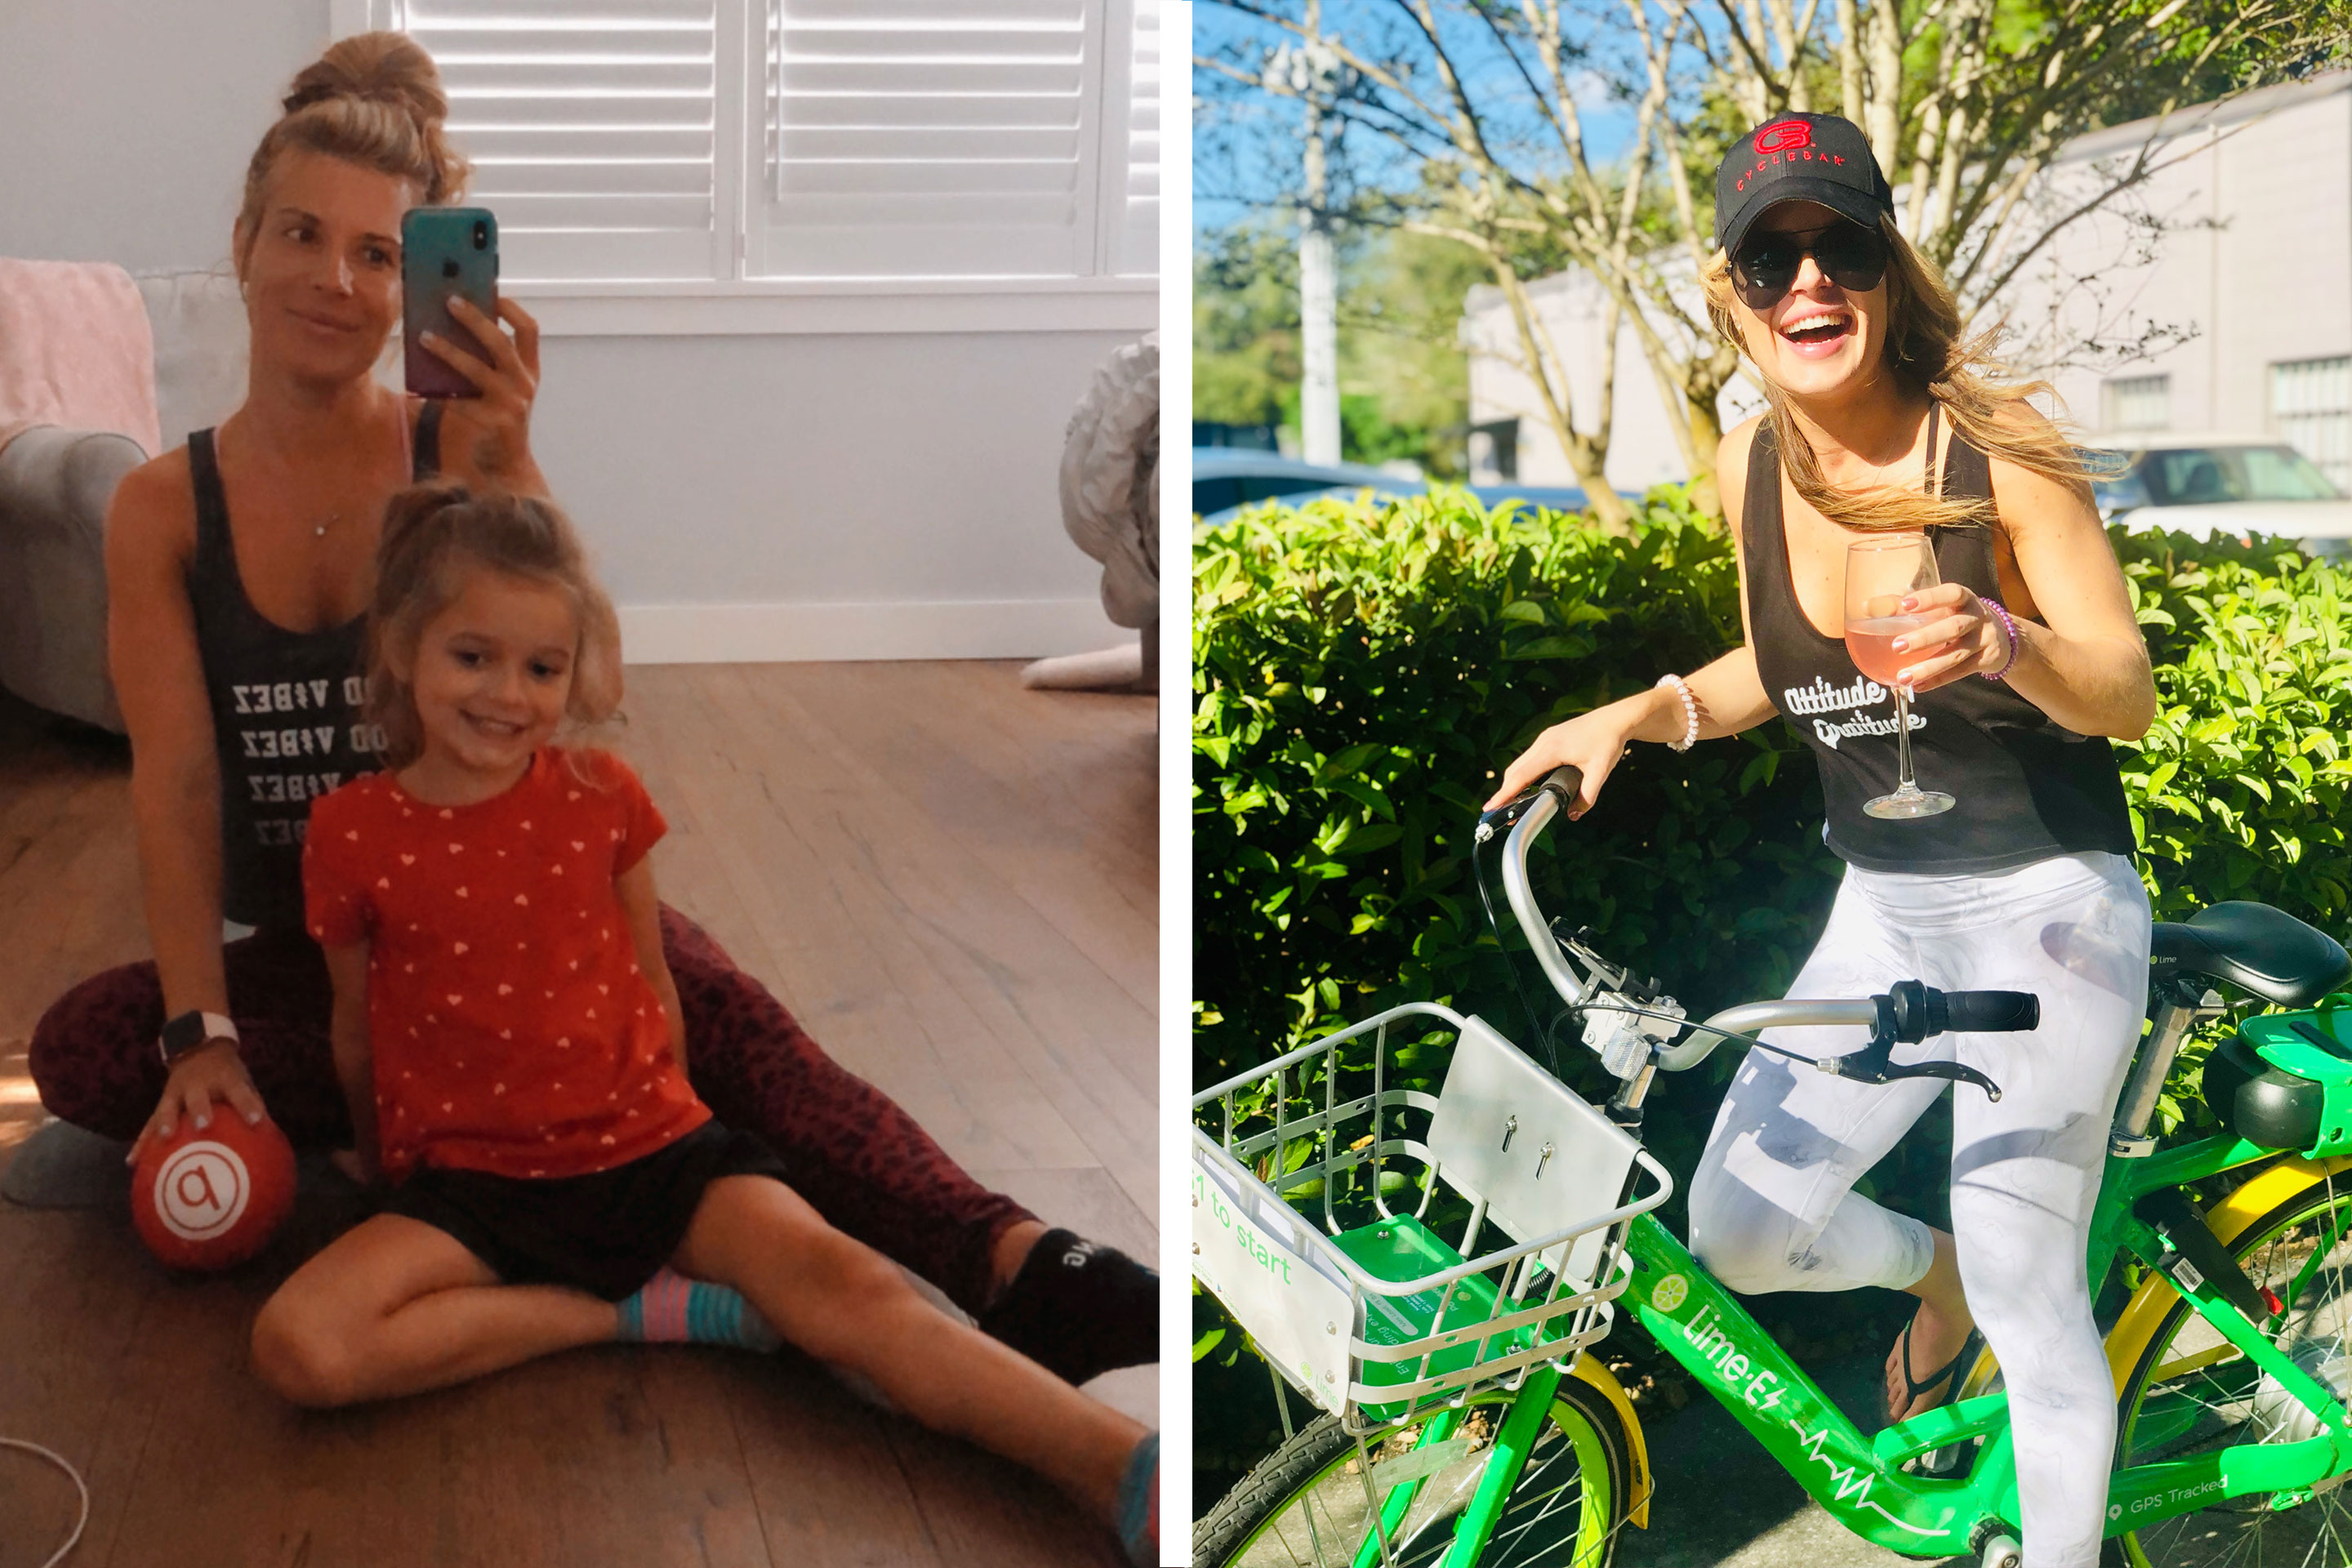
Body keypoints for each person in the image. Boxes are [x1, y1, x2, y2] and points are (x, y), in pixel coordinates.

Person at [26, 31, 1152, 1388]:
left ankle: (1011, 1258)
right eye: (302, 235)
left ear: (413, 285)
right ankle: (552, 1161)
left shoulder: (447, 450)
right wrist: (201, 1033)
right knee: (90, 1045)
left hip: (531, 905)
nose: (334, 279)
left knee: (722, 1019)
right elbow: (178, 786)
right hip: (353, 954)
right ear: (245, 243)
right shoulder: (165, 508)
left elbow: (581, 698)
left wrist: (511, 461)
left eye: (379, 255)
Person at [250, 481, 1158, 1561]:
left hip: (651, 1150)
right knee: (300, 1347)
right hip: (467, 1185)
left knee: (853, 1287)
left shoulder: (602, 795)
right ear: (401, 647)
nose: (508, 693)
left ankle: (1126, 1468)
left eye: (542, 667)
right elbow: (357, 1025)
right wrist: (379, 1163)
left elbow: (655, 976)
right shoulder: (352, 830)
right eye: (472, 656)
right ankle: (640, 1312)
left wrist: (683, 1128)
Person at [1486, 111, 2155, 1568]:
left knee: (2036, 1284)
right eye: (1769, 254)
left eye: (1838, 245)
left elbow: (2127, 695)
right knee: (1733, 1234)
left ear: (1886, 266)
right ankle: (1939, 1283)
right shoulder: (1749, 468)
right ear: (1733, 293)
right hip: (1885, 907)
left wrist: (2003, 638)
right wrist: (1642, 709)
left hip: (2049, 912)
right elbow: (1775, 667)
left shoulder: (2001, 457)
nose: (1809, 283)